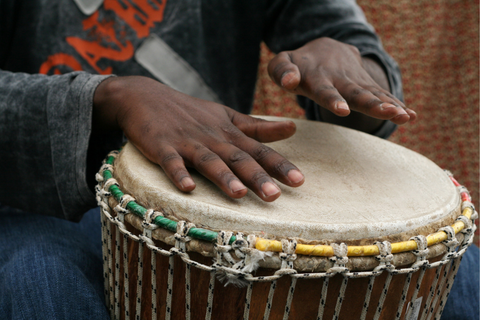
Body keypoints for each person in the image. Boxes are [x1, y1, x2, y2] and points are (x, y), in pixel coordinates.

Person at [0, 1, 476, 319]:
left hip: (226, 191)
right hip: (39, 204)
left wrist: (350, 68)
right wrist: (111, 96)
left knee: (461, 275)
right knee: (39, 280)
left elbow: (343, 36)